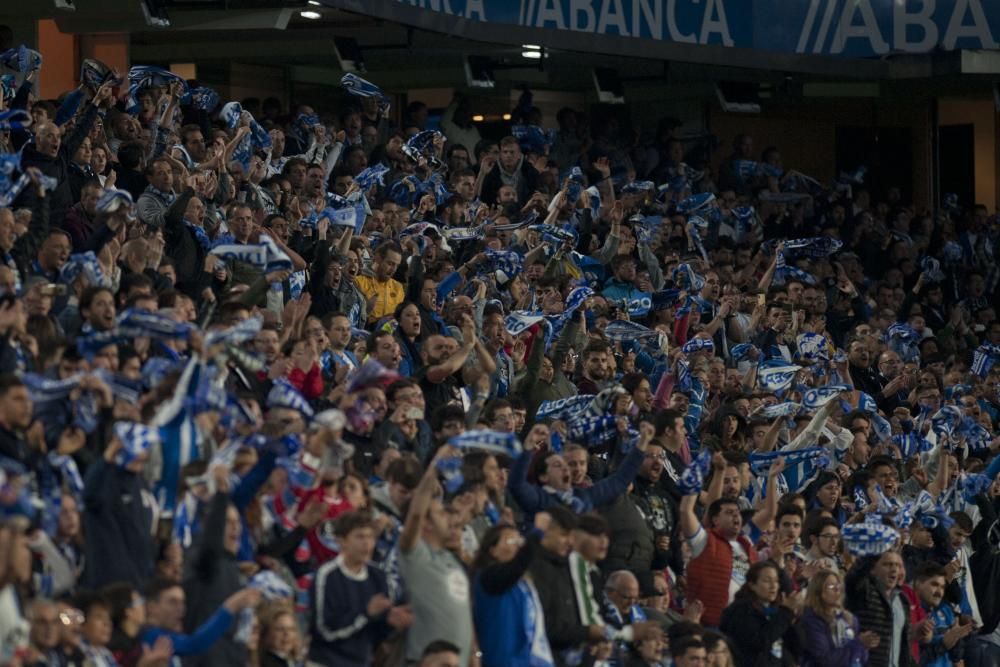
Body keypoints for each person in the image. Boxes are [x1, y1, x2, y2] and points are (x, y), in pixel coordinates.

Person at [718, 560, 801, 666]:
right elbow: (761, 641)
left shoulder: (777, 610)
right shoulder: (740, 610)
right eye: (767, 581)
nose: (773, 586)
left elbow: (797, 648)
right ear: (752, 585)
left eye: (776, 581)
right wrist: (786, 613)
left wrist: (794, 619)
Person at [799, 569, 875, 666]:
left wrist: (865, 646)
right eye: (831, 586)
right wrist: (859, 643)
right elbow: (825, 660)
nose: (837, 589)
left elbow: (859, 659)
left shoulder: (848, 619)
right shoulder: (811, 619)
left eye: (838, 585)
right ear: (818, 591)